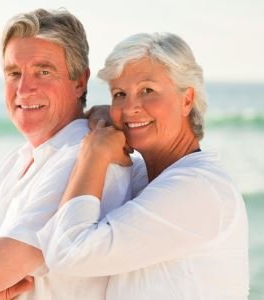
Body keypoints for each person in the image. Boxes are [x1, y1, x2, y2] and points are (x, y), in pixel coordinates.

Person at [0, 8, 138, 300]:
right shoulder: (15, 160)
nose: (24, 89)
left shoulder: (85, 158)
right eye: (14, 73)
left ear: (79, 82)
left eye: (43, 71)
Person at [38, 32, 250, 299]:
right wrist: (101, 117)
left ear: (187, 100)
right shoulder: (142, 175)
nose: (130, 108)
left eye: (148, 91)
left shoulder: (199, 188)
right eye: (119, 94)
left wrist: (93, 156)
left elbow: (69, 252)